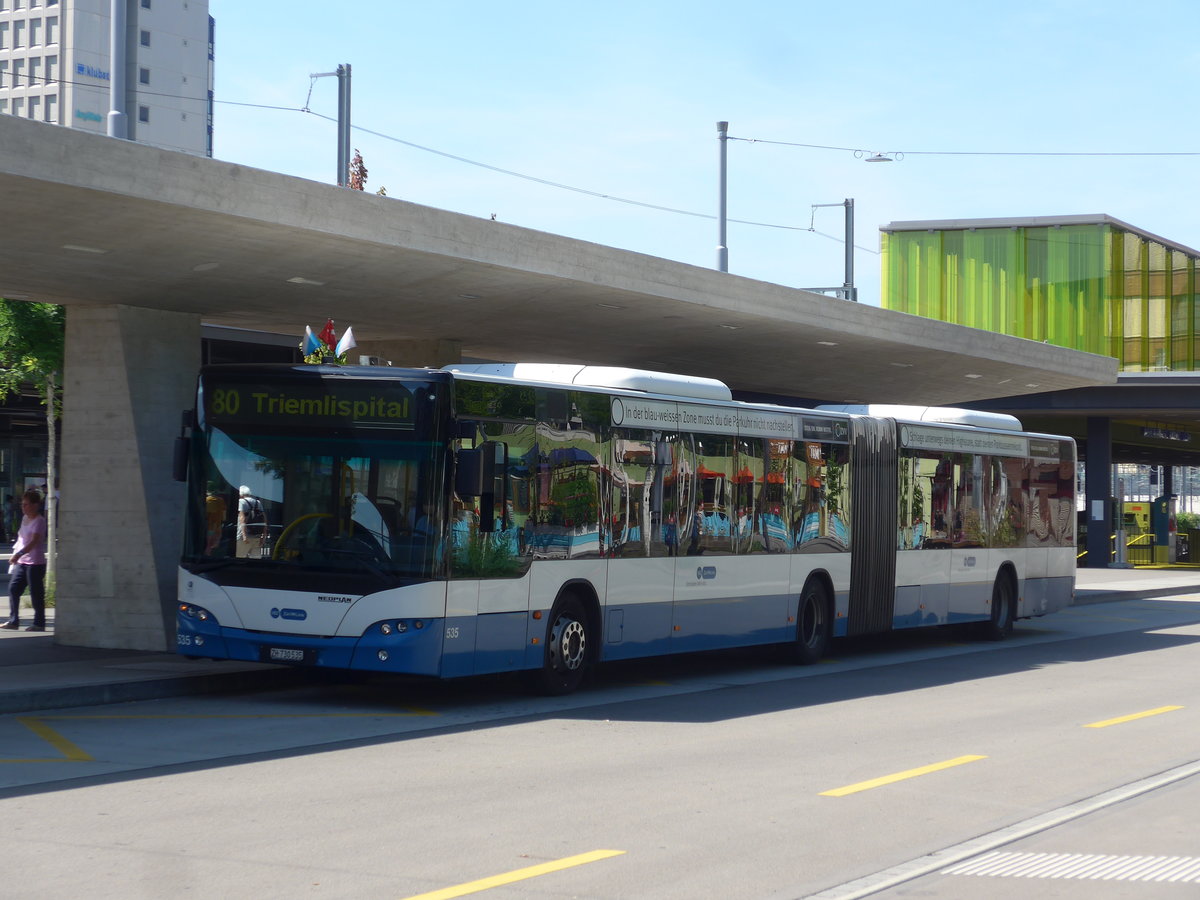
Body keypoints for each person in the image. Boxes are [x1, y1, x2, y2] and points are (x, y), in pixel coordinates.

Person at [4, 490, 47, 631]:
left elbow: (34, 541)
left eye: (27, 505)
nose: (24, 508)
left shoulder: (39, 521)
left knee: (36, 593)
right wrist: (16, 553)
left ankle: (39, 623)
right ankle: (13, 620)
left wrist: (19, 554)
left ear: (35, 505)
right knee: (13, 589)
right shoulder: (24, 519)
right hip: (22, 561)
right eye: (22, 505)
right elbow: (21, 539)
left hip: (35, 563)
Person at [236, 485, 266, 559]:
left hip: (244, 537)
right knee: (255, 560)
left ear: (240, 494)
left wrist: (244, 535)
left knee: (239, 558)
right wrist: (264, 535)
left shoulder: (241, 502)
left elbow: (242, 518)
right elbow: (264, 519)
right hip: (257, 536)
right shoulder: (258, 502)